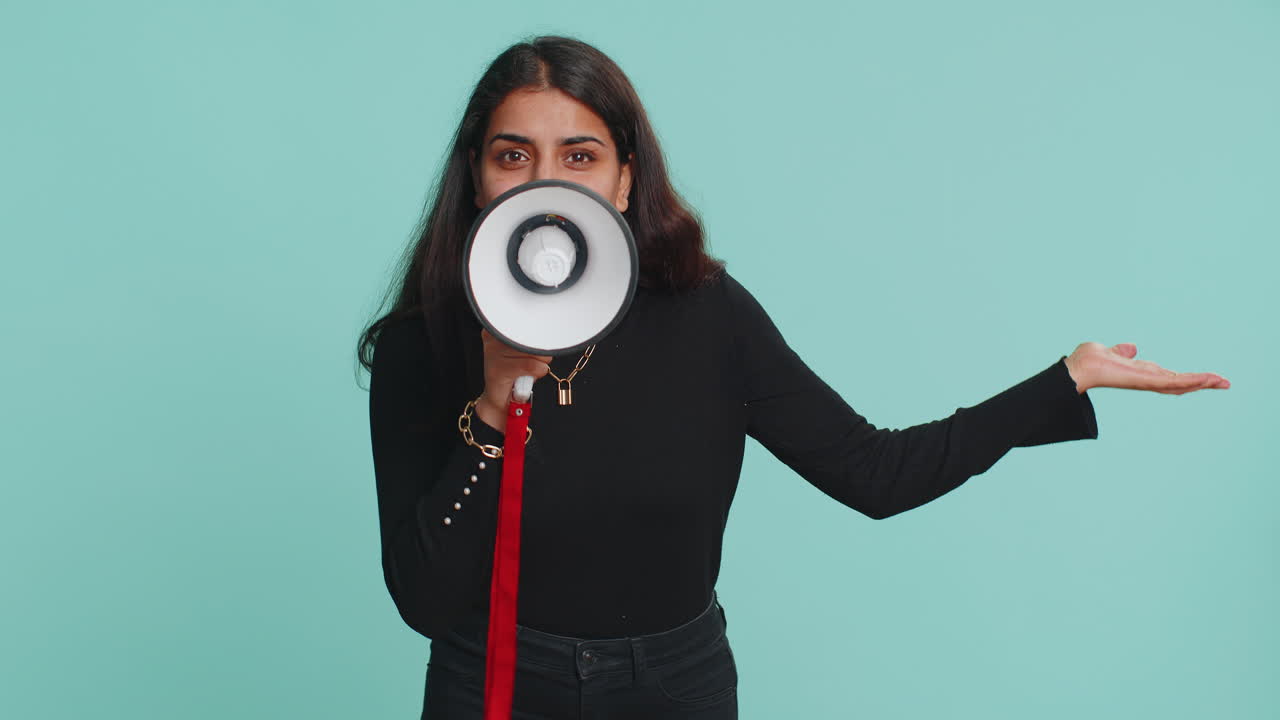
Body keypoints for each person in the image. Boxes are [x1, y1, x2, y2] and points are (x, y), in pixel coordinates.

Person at [357, 35, 1229, 720]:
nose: (545, 182)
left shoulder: (707, 316)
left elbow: (876, 474)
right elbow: (425, 601)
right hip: (496, 682)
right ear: (478, 178)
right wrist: (492, 405)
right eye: (514, 155)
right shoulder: (419, 345)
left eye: (579, 156)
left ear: (624, 181)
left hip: (675, 689)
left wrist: (1063, 381)